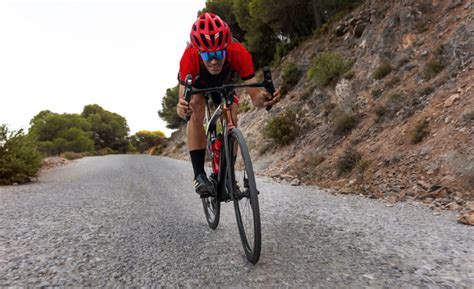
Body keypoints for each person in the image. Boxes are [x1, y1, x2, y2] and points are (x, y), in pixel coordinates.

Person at [176, 12, 280, 197]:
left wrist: (265, 99)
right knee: (194, 106)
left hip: (225, 81)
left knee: (231, 110)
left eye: (218, 53)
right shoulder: (189, 57)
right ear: (198, 51)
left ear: (226, 47)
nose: (214, 61)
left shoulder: (238, 52)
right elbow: (182, 102)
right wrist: (182, 107)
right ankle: (199, 175)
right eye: (208, 55)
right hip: (199, 83)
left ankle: (228, 175)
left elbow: (255, 98)